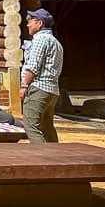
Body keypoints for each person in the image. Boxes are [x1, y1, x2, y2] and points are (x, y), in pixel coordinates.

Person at [20, 8, 64, 143]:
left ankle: (41, 154)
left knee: (31, 126)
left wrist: (24, 86)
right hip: (52, 90)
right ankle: (55, 154)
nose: (27, 24)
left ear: (39, 23)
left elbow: (33, 67)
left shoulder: (40, 40)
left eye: (30, 21)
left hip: (39, 88)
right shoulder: (55, 42)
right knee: (47, 127)